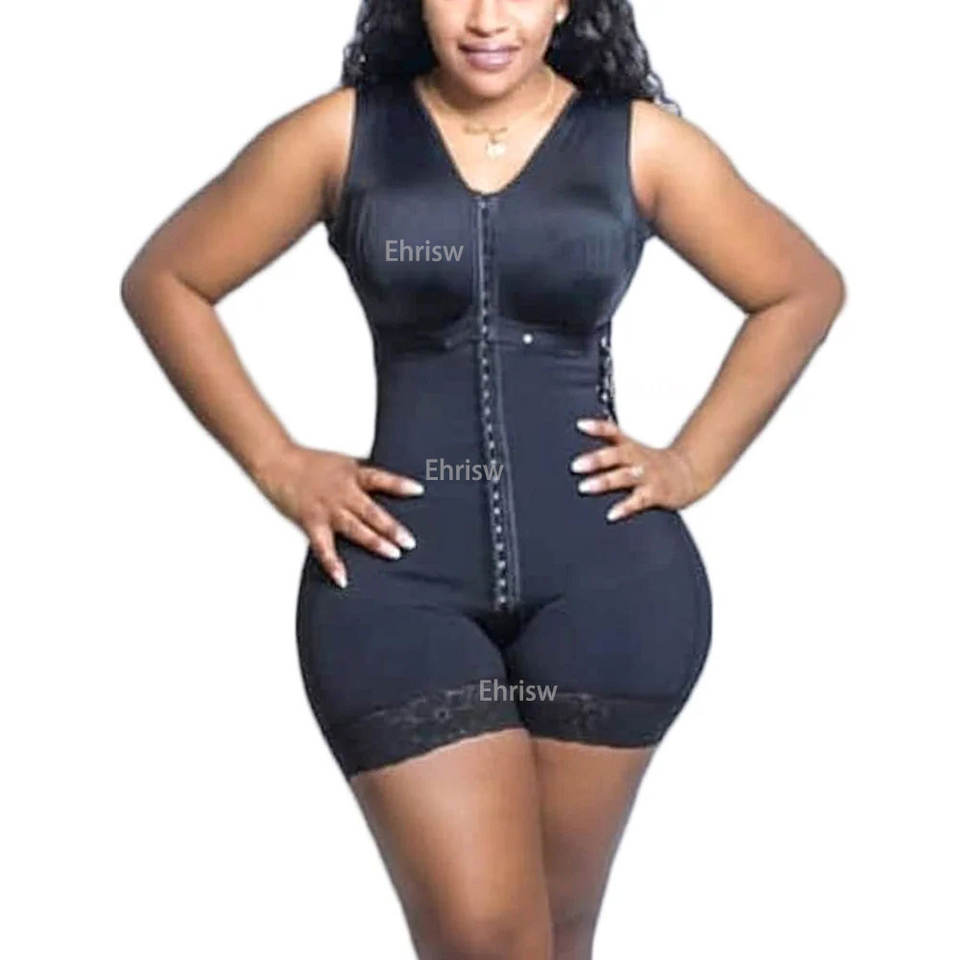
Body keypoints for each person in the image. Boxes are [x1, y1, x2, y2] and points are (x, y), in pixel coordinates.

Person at [120, 1, 845, 956]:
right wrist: (278, 462)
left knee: (558, 937)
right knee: (489, 941)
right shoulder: (341, 136)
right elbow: (167, 279)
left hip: (612, 591)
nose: (487, 17)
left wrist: (692, 460)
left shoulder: (643, 146)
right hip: (396, 589)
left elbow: (800, 288)